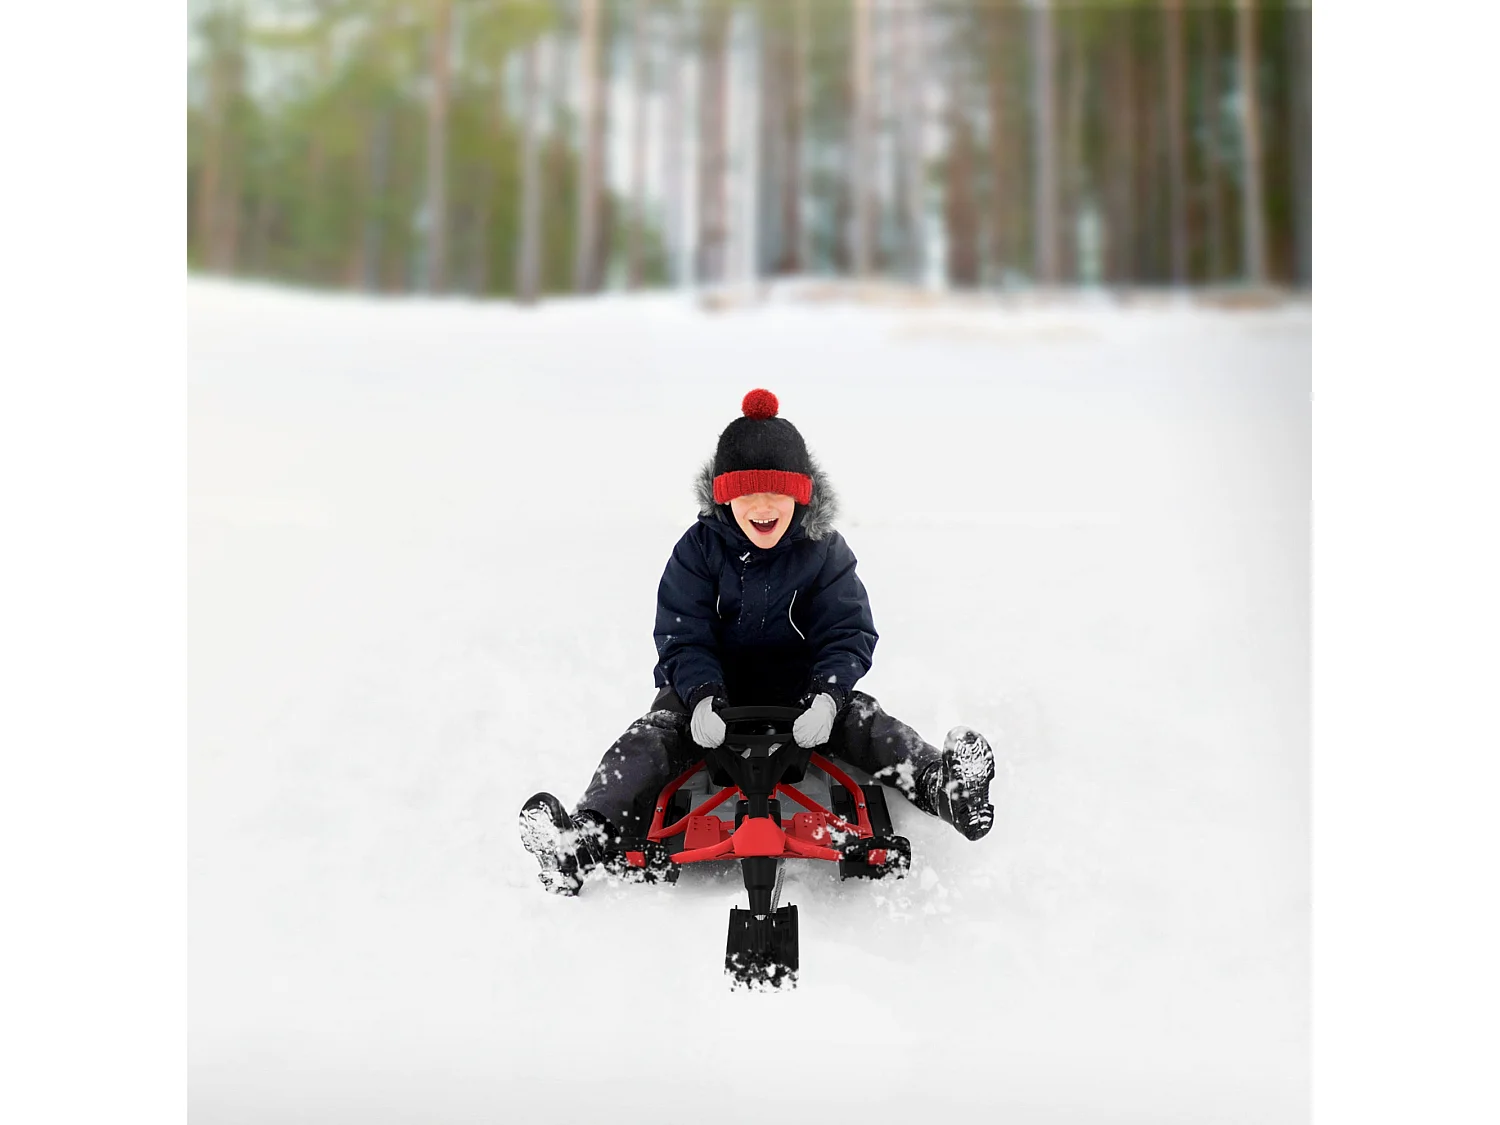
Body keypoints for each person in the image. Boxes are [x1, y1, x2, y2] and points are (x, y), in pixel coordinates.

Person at [519, 389, 995, 894]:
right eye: (748, 494)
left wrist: (828, 698)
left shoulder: (824, 551)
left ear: (801, 495)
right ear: (725, 496)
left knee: (868, 724)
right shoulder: (697, 551)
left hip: (802, 697)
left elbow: (847, 630)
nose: (763, 507)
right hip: (707, 702)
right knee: (648, 741)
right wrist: (701, 696)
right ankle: (583, 838)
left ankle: (944, 789)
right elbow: (683, 633)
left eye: (777, 493)